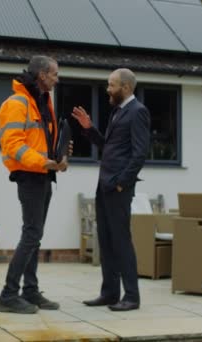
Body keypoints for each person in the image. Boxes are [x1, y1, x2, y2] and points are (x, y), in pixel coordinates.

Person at [71, 68, 150, 311]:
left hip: (117, 188)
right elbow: (109, 147)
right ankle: (110, 293)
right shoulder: (117, 111)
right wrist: (89, 129)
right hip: (104, 186)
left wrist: (120, 183)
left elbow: (140, 154)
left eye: (111, 85)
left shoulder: (138, 112)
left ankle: (132, 297)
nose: (108, 89)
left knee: (121, 241)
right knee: (105, 240)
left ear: (125, 87)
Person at [0, 55, 68, 314]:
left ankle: (30, 291)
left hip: (43, 175)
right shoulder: (16, 103)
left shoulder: (41, 102)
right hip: (30, 176)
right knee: (31, 234)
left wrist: (61, 156)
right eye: (54, 75)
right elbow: (13, 145)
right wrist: (44, 163)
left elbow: (44, 140)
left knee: (34, 236)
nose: (57, 80)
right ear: (41, 75)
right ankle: (8, 294)